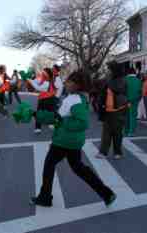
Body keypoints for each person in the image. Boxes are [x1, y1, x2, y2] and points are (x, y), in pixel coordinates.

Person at [31, 70, 117, 208]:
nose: (66, 83)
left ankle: (45, 197)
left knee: (49, 164)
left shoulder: (74, 99)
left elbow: (82, 122)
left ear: (77, 85)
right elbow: (57, 117)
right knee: (78, 168)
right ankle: (106, 194)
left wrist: (60, 122)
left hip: (64, 140)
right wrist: (35, 114)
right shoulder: (77, 98)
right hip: (72, 141)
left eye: (69, 81)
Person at [96, 61, 129, 160]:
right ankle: (116, 152)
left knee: (109, 132)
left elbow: (104, 93)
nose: (108, 71)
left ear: (113, 70)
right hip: (117, 109)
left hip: (113, 109)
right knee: (115, 132)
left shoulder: (112, 81)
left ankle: (104, 152)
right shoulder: (121, 80)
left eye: (109, 69)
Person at [28, 68, 57, 134]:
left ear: (49, 74)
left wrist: (30, 81)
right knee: (42, 113)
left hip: (49, 99)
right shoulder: (42, 79)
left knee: (47, 112)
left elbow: (38, 88)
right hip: (44, 99)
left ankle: (46, 124)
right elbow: (36, 81)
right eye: (43, 72)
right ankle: (39, 127)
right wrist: (30, 79)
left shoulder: (48, 82)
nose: (43, 73)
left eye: (45, 73)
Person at [124, 67, 142, 136]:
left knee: (126, 116)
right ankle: (131, 131)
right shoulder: (138, 80)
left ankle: (125, 131)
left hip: (125, 100)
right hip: (134, 101)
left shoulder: (124, 80)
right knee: (133, 116)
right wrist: (138, 99)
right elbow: (140, 92)